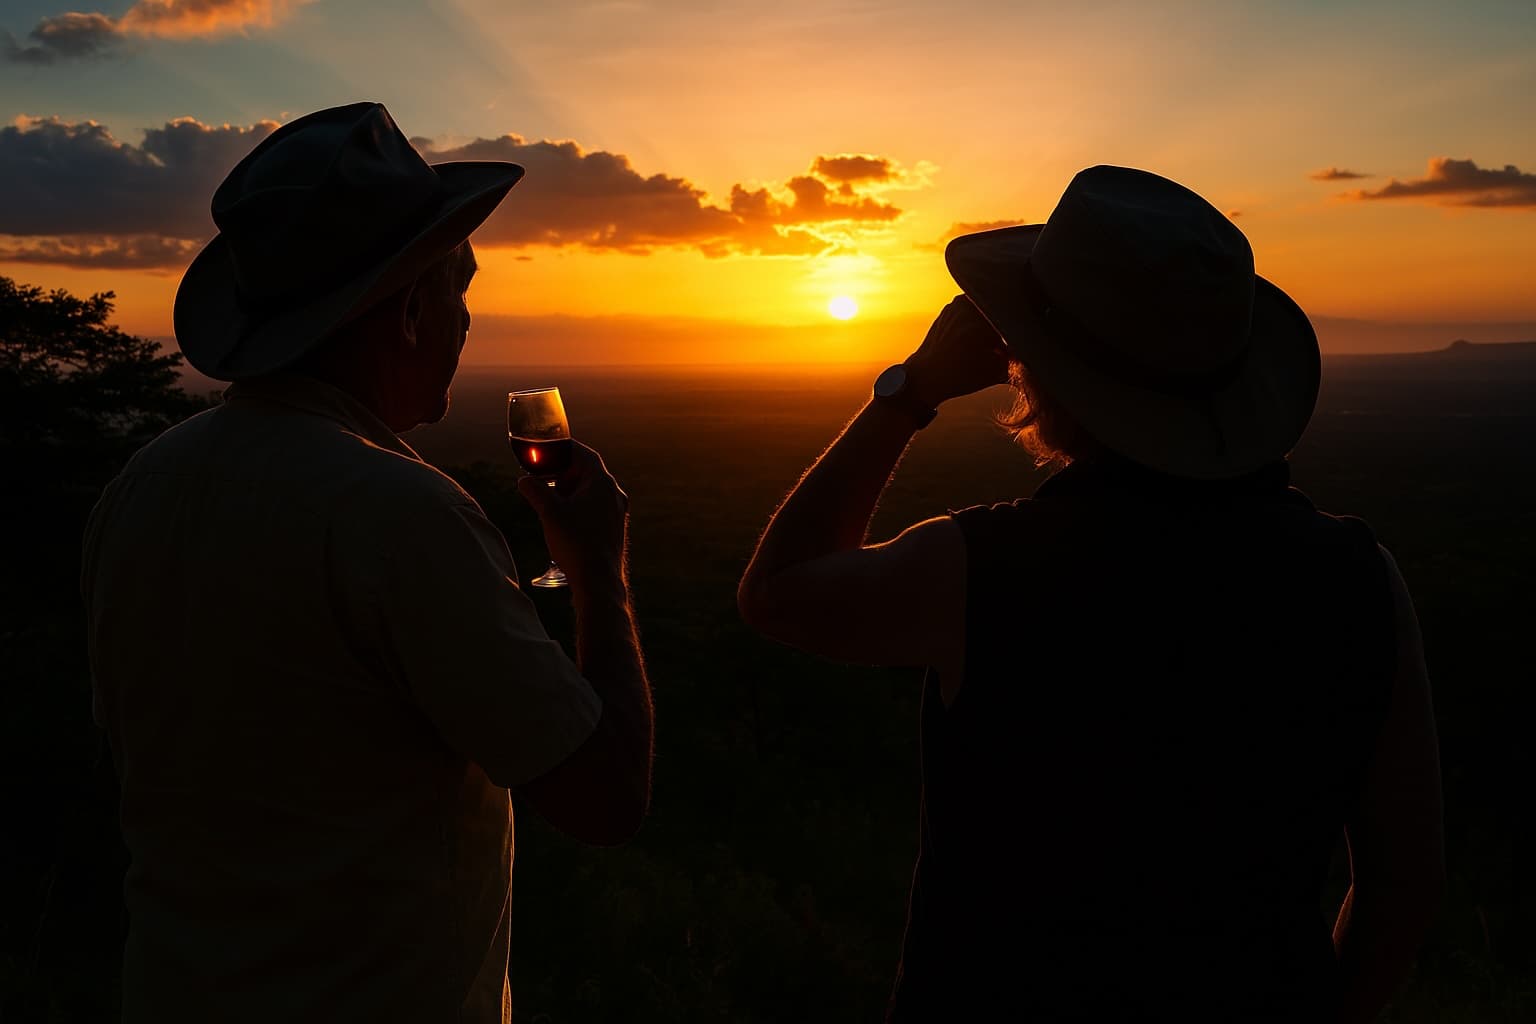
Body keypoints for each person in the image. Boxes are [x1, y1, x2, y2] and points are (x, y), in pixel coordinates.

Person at [738, 165, 1443, 1022]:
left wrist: (909, 392)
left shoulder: (981, 567)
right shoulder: (1360, 578)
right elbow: (1403, 882)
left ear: (1037, 372)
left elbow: (776, 590)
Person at [80, 102, 653, 1023]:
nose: (467, 323)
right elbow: (605, 798)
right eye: (460, 292)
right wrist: (600, 568)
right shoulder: (401, 513)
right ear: (414, 312)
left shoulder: (140, 487)